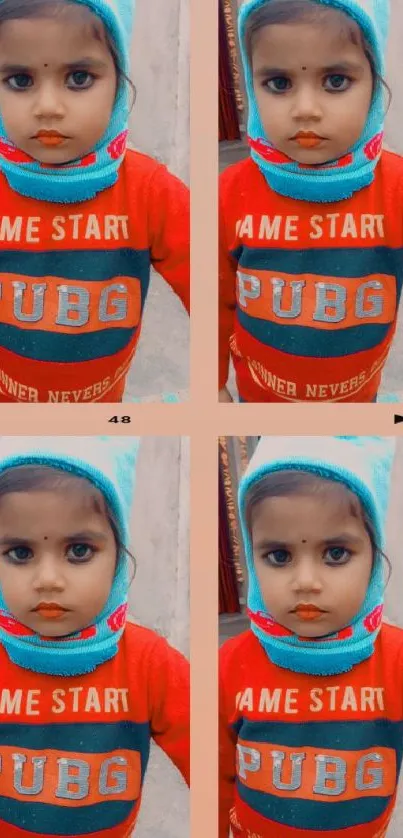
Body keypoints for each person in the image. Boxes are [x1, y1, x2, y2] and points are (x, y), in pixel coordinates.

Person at [0, 0, 189, 403]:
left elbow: (214, 284)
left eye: (80, 77)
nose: (48, 106)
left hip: (101, 412)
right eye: (19, 80)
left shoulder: (148, 191)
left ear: (119, 83)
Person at [0, 436, 189, 836]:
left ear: (119, 558)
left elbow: (215, 759)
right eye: (20, 552)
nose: (48, 580)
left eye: (79, 551)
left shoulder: (148, 662)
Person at [219, 0, 403, 403]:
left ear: (375, 84)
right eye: (279, 84)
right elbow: (215, 301)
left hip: (356, 402)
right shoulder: (229, 193)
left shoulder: (396, 190)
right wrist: (213, 384)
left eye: (336, 81)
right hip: (260, 400)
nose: (305, 110)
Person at [219, 435, 403, 836]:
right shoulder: (228, 666)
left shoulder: (396, 661)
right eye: (279, 556)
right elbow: (215, 779)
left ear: (374, 559)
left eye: (335, 554)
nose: (305, 582)